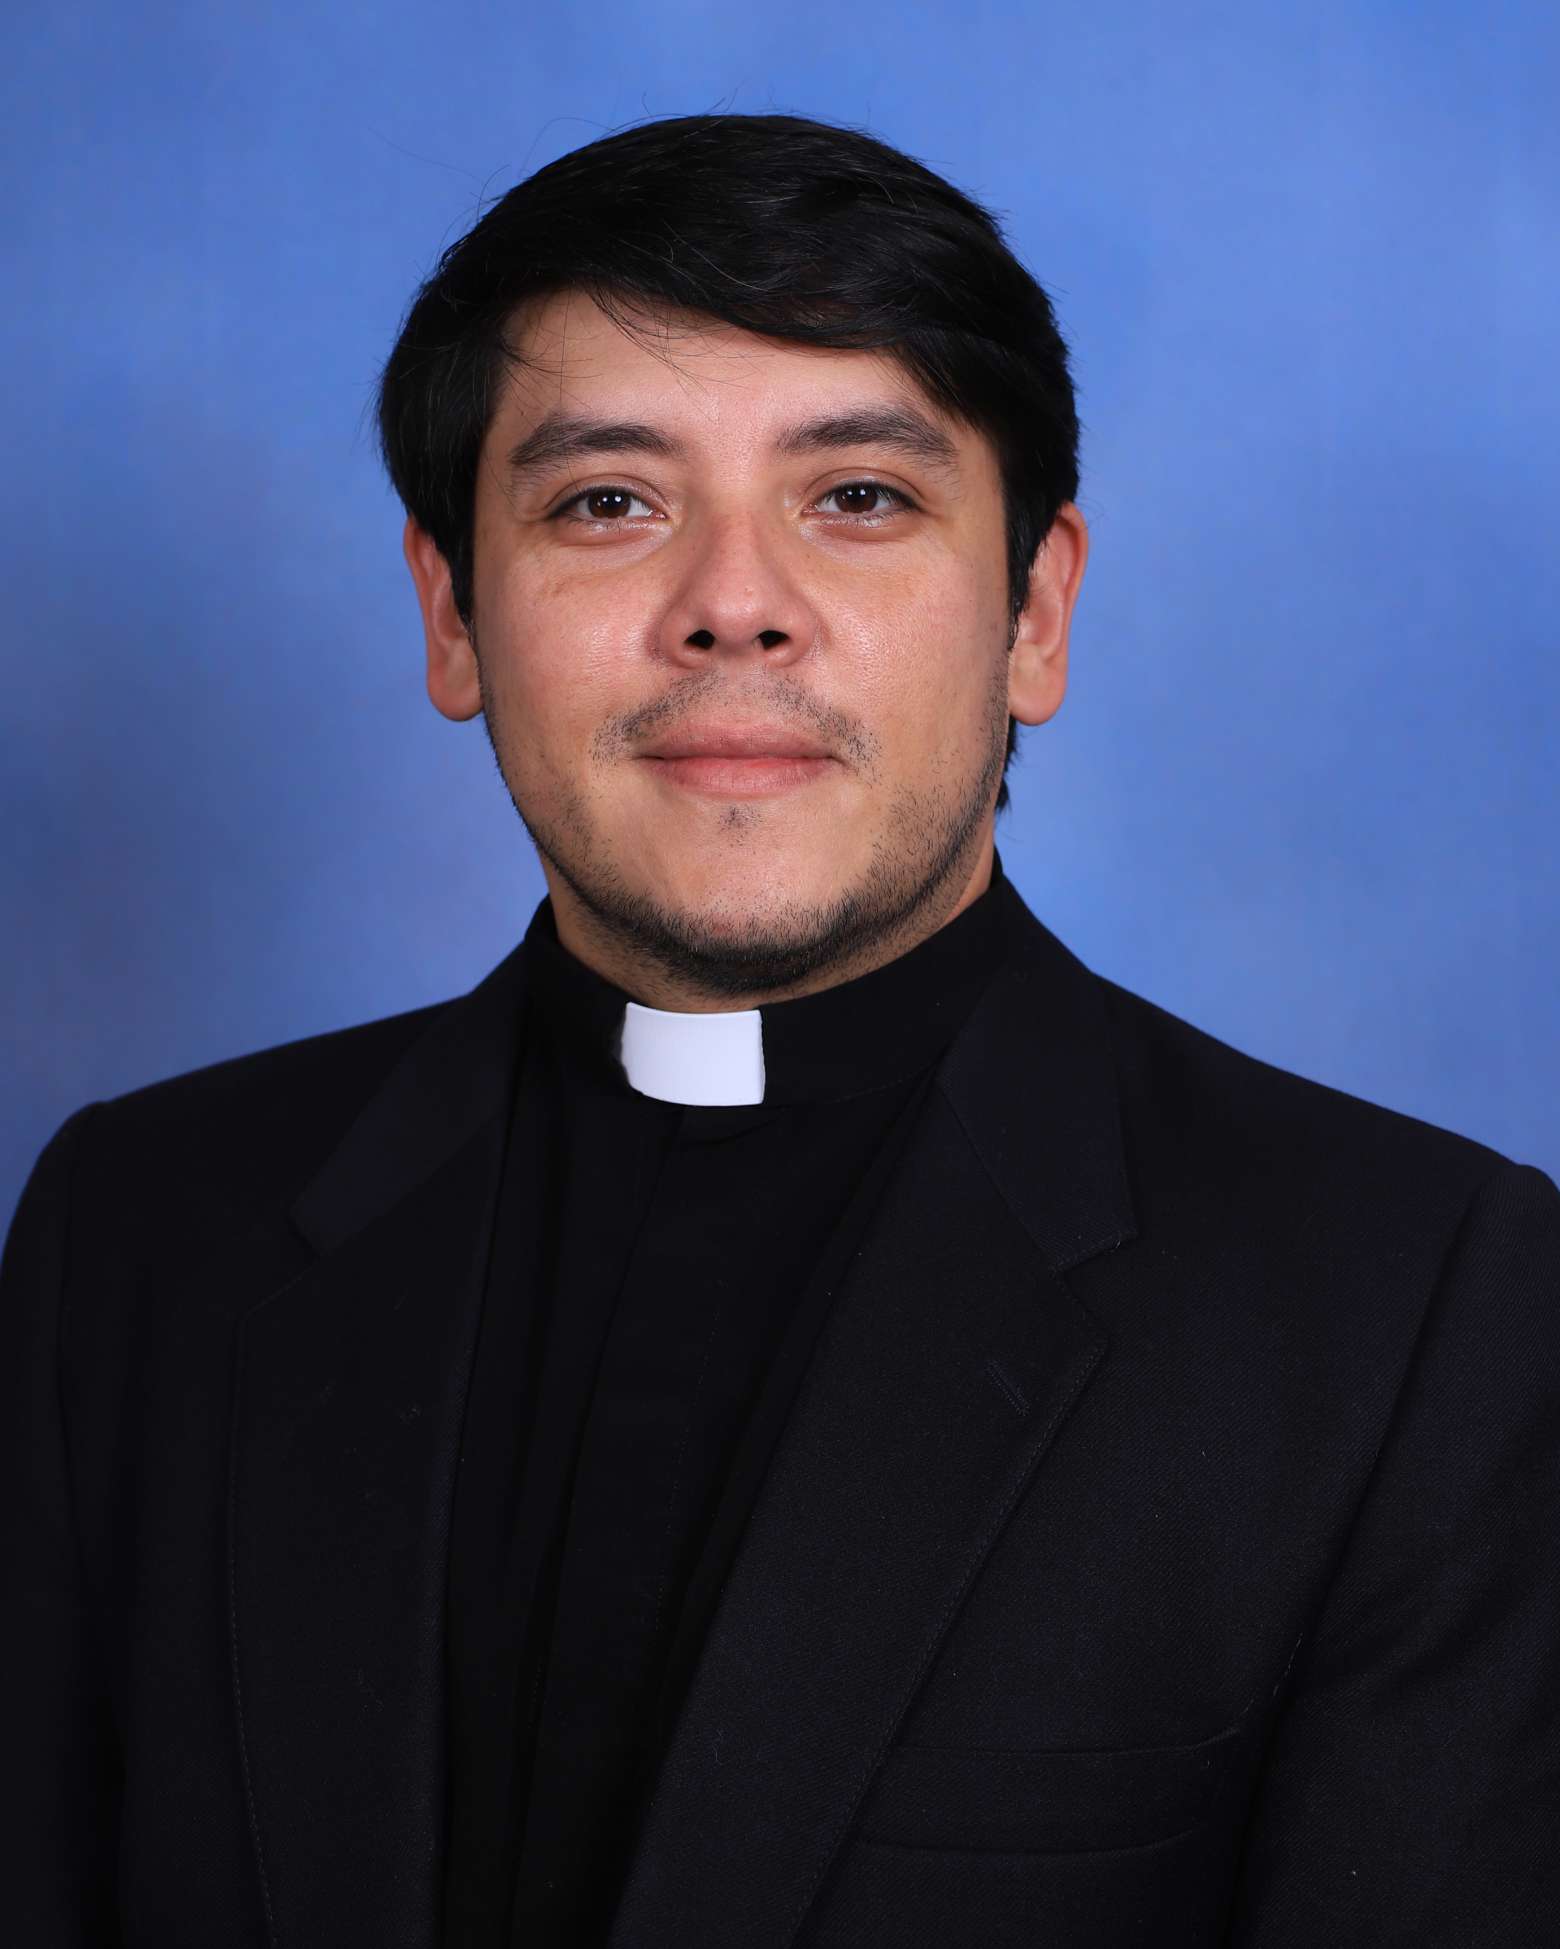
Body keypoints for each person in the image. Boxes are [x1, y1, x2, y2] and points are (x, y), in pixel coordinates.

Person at [3, 111, 1556, 1949]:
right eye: (609, 502)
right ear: (452, 615)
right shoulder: (139, 1233)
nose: (734, 607)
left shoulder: (1416, 1307)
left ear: (1035, 612)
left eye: (859, 497)